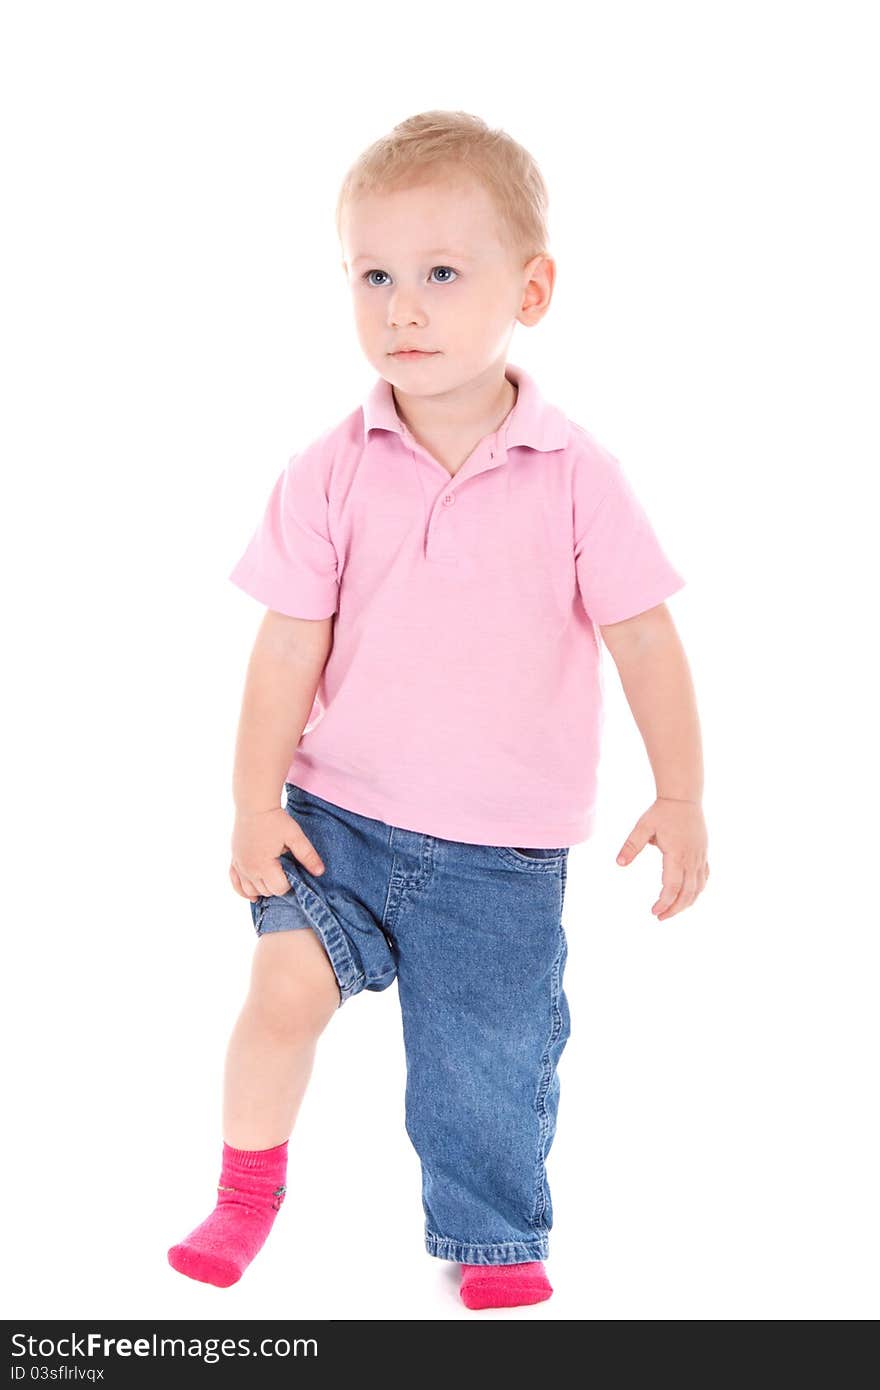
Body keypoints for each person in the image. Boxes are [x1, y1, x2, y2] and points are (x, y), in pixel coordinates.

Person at [167, 110, 709, 1311]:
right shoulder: (333, 465)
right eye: (374, 276)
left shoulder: (576, 473)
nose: (400, 308)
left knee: (486, 1066)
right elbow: (285, 642)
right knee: (281, 993)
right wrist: (253, 803)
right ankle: (243, 1194)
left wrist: (681, 791)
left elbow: (642, 634)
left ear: (533, 288)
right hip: (337, 817)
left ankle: (491, 1235)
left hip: (500, 856)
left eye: (440, 275)